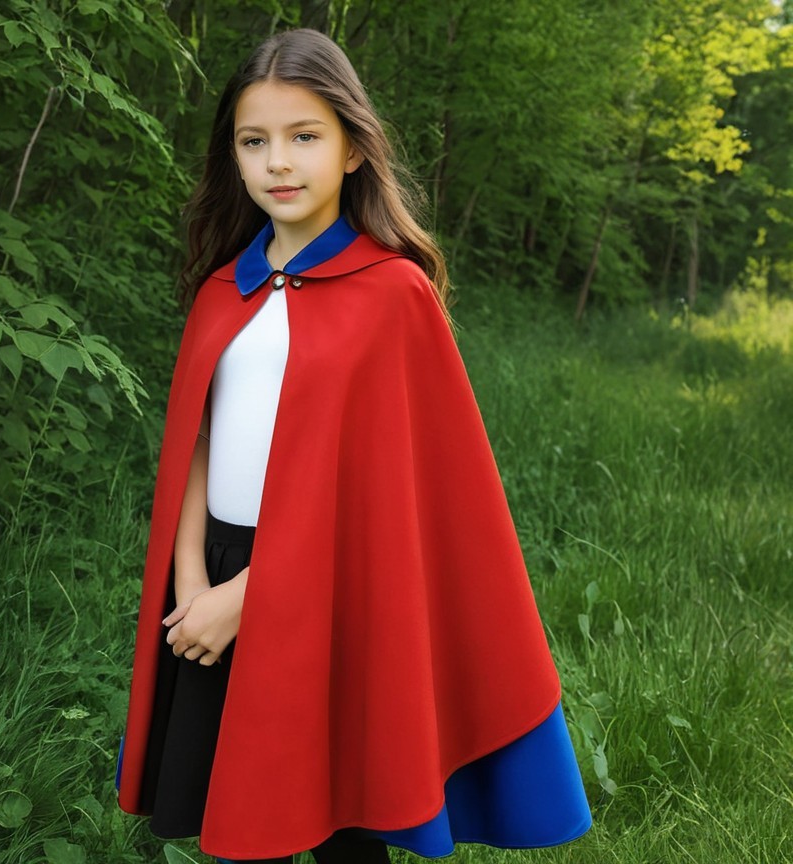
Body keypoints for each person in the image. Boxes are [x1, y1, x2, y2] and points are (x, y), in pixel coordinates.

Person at [117, 28, 592, 864]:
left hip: (339, 581)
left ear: (351, 150)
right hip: (218, 573)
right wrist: (195, 579)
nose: (278, 163)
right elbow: (196, 439)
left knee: (341, 819)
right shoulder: (224, 290)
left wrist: (250, 599)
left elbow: (397, 497)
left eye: (305, 137)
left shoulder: (393, 295)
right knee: (239, 822)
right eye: (254, 141)